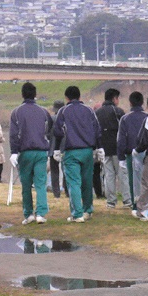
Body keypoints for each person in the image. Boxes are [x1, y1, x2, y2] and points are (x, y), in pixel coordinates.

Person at [54, 85, 101, 223]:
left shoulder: (63, 111)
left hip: (71, 151)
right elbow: (97, 130)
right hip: (87, 151)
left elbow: (57, 131)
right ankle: (88, 210)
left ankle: (77, 214)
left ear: (66, 98)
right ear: (80, 96)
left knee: (74, 182)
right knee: (87, 181)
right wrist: (99, 148)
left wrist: (57, 149)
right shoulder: (89, 110)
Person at [10, 82, 54, 225]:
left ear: (22, 94)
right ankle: (41, 213)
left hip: (25, 152)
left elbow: (14, 134)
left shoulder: (16, 112)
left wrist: (14, 152)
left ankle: (28, 214)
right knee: (40, 183)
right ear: (35, 94)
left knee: (26, 184)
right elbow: (49, 130)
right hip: (41, 151)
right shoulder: (43, 111)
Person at [95, 88, 129, 209]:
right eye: (117, 98)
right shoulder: (118, 111)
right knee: (122, 175)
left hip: (103, 149)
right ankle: (127, 200)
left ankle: (111, 201)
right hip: (117, 149)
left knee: (108, 175)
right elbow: (125, 130)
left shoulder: (97, 112)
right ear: (114, 98)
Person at [117, 91, 147, 216]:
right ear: (142, 102)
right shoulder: (147, 117)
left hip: (131, 154)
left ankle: (135, 206)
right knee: (147, 180)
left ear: (130, 103)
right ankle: (147, 205)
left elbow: (121, 139)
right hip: (147, 153)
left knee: (133, 181)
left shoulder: (125, 118)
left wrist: (121, 157)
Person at [48, 100, 65, 199]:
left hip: (52, 148)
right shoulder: (67, 118)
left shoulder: (51, 118)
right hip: (64, 148)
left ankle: (56, 193)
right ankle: (67, 190)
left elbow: (46, 133)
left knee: (54, 171)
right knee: (66, 170)